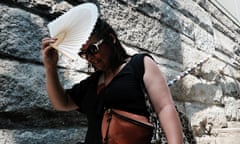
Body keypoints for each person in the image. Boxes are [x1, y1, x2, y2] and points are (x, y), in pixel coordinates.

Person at [41, 16, 183, 144]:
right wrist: (50, 66)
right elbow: (62, 103)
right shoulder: (92, 82)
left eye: (92, 49)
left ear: (111, 39)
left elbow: (164, 107)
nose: (89, 58)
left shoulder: (139, 64)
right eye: (83, 54)